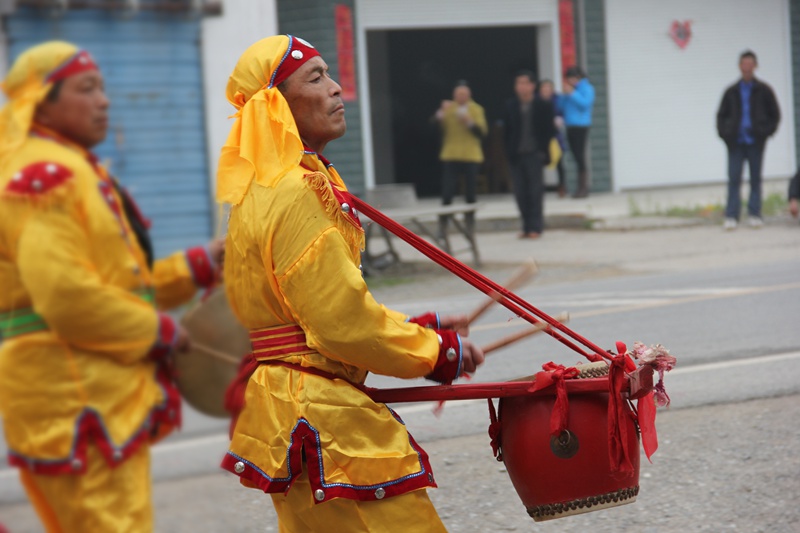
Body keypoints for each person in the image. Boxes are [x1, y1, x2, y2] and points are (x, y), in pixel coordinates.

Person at [215, 35, 484, 531]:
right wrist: (434, 349)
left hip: (287, 407)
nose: (337, 89)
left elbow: (306, 316)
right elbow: (343, 326)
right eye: (316, 78)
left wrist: (417, 326)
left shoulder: (256, 189)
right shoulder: (297, 190)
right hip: (323, 418)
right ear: (277, 104)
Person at [0, 41, 223, 531]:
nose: (104, 100)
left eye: (102, 87)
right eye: (87, 88)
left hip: (95, 400)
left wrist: (199, 265)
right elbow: (67, 298)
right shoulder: (42, 176)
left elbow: (118, 287)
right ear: (42, 100)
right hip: (74, 403)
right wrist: (159, 331)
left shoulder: (72, 167)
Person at [716, 50, 781, 230]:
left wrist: (765, 132)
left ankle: (754, 214)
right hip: (736, 143)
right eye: (744, 64)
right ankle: (731, 215)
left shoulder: (764, 90)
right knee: (734, 179)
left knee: (755, 179)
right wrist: (725, 134)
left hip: (755, 142)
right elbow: (721, 116)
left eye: (750, 64)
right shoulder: (731, 91)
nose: (747, 67)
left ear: (755, 66)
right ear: (739, 66)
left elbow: (775, 114)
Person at [503, 70, 556, 239]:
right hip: (516, 155)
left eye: (525, 83)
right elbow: (506, 131)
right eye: (518, 83)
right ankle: (525, 226)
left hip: (535, 154)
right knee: (520, 192)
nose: (521, 87)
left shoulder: (543, 105)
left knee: (535, 192)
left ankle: (536, 227)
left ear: (533, 85)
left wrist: (542, 150)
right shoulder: (510, 105)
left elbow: (550, 130)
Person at [432, 80, 487, 238]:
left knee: (470, 193)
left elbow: (482, 133)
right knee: (447, 192)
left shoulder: (476, 109)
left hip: (471, 155)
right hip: (451, 154)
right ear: (454, 95)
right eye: (458, 94)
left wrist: (469, 122)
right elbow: (435, 128)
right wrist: (439, 115)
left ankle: (470, 226)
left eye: (464, 94)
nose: (461, 97)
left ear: (469, 95)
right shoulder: (450, 109)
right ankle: (443, 227)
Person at [561, 66, 595, 198]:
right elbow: (563, 106)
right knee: (575, 155)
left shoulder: (587, 88)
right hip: (570, 125)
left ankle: (583, 187)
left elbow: (585, 104)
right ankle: (579, 187)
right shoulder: (571, 89)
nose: (571, 80)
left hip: (581, 125)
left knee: (580, 156)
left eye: (572, 78)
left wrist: (572, 93)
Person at [538, 79, 568, 198]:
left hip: (555, 136)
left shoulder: (558, 100)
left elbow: (563, 112)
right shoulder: (536, 101)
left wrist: (559, 119)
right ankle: (538, 187)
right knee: (538, 162)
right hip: (540, 135)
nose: (546, 90)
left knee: (559, 162)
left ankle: (562, 187)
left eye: (548, 87)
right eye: (544, 88)